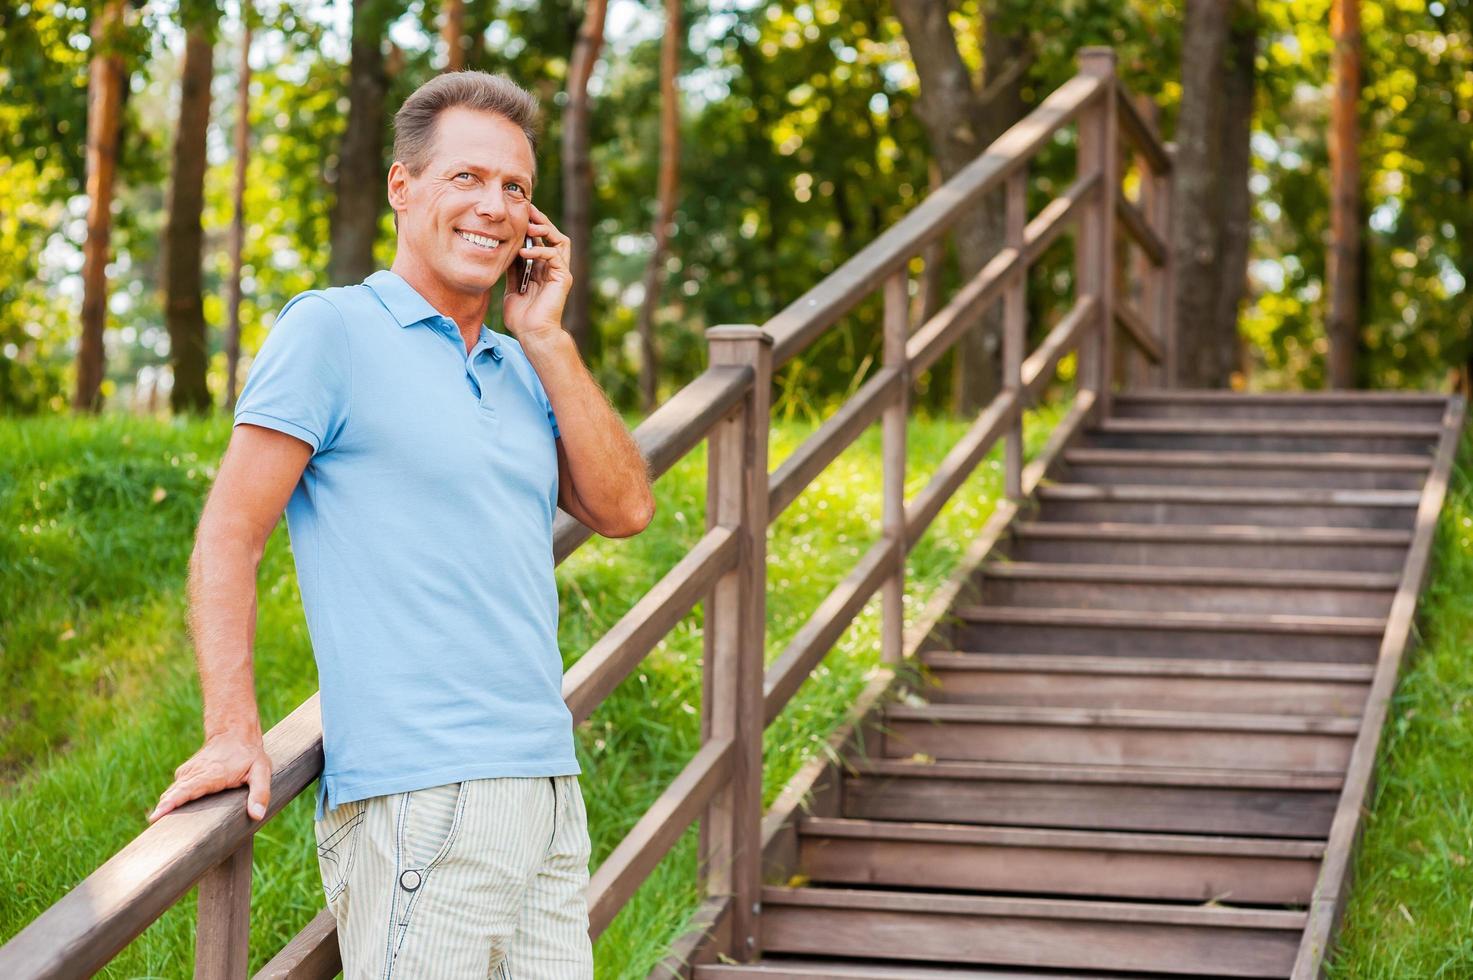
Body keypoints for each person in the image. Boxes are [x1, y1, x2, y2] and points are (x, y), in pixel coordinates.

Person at [146, 71, 653, 978]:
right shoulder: (331, 331)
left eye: (516, 188)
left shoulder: (519, 362)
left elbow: (624, 508)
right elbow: (229, 535)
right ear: (401, 186)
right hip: (422, 794)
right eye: (466, 177)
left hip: (545, 784)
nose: (493, 207)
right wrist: (233, 727)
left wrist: (546, 335)